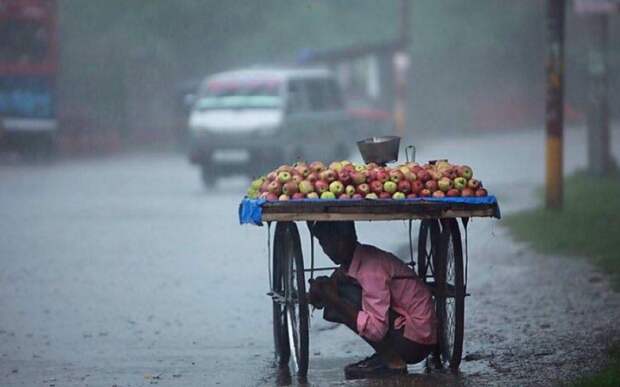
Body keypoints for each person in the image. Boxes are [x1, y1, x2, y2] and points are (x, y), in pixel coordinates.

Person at [307, 221, 436, 379]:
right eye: (323, 244)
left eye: (333, 242)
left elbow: (376, 330)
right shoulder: (359, 256)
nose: (328, 250)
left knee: (339, 301)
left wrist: (335, 301)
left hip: (415, 341)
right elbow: (337, 279)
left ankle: (393, 360)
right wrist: (323, 289)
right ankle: (387, 353)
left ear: (349, 238)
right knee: (339, 291)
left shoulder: (370, 270)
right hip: (416, 331)